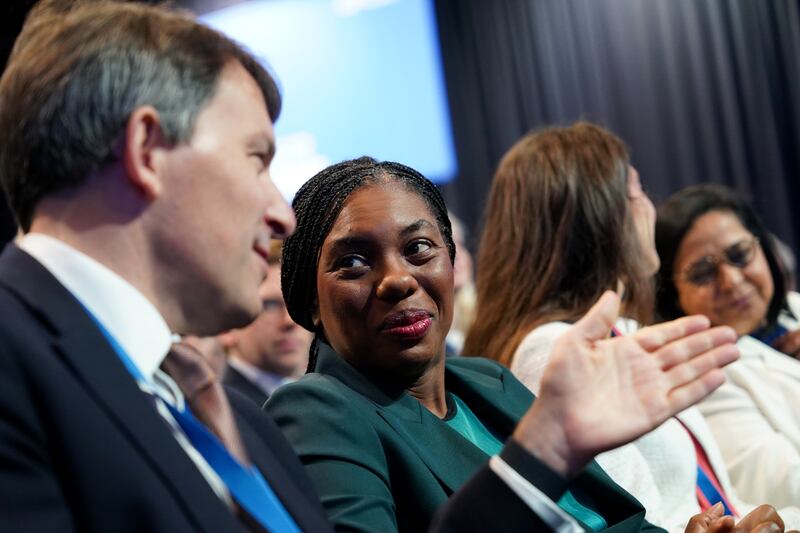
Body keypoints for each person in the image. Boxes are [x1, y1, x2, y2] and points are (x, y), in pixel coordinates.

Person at [0, 2, 741, 531]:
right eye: (257, 158)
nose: (278, 213)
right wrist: (542, 450)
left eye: (422, 248)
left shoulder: (207, 408)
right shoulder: (20, 361)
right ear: (148, 150)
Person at [265, 156, 747, 532]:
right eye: (352, 262)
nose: (398, 280)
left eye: (418, 249)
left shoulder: (488, 380)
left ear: (452, 264)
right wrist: (543, 452)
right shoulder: (314, 410)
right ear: (309, 302)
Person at [462, 123, 800, 531]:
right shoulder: (552, 347)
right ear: (602, 219)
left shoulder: (621, 329)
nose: (650, 208)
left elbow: (708, 499)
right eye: (638, 192)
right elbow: (629, 519)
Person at [655, 184, 800, 508]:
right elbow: (783, 486)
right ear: (671, 294)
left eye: (740, 255)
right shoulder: (705, 379)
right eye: (703, 273)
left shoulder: (794, 307)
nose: (732, 281)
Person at [220, 240, 311, 406]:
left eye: (298, 301)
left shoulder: (316, 400)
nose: (290, 320)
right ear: (227, 328)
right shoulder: (221, 411)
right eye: (269, 305)